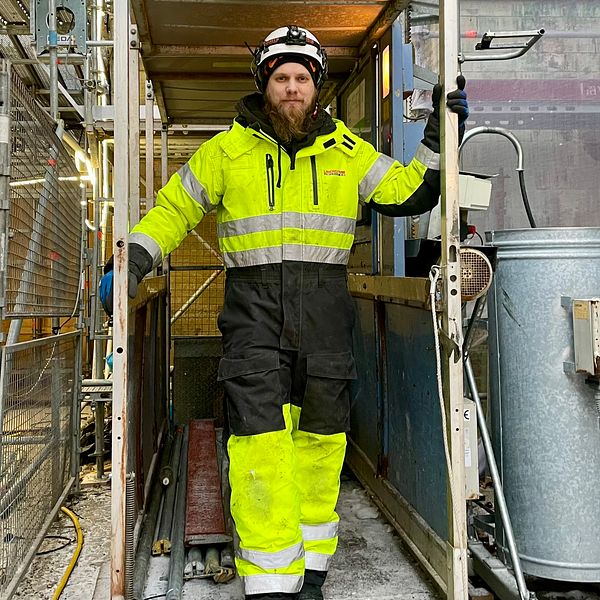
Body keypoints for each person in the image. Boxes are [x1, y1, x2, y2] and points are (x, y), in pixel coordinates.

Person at [100, 25, 468, 600]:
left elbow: (410, 195)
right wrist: (134, 262)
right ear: (264, 85)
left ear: (315, 86)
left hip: (325, 315)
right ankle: (271, 581)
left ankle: (312, 568)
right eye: (281, 78)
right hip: (253, 315)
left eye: (301, 78)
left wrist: (441, 138)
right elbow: (173, 209)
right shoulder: (226, 151)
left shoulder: (348, 151)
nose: (291, 88)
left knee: (322, 444)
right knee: (258, 444)